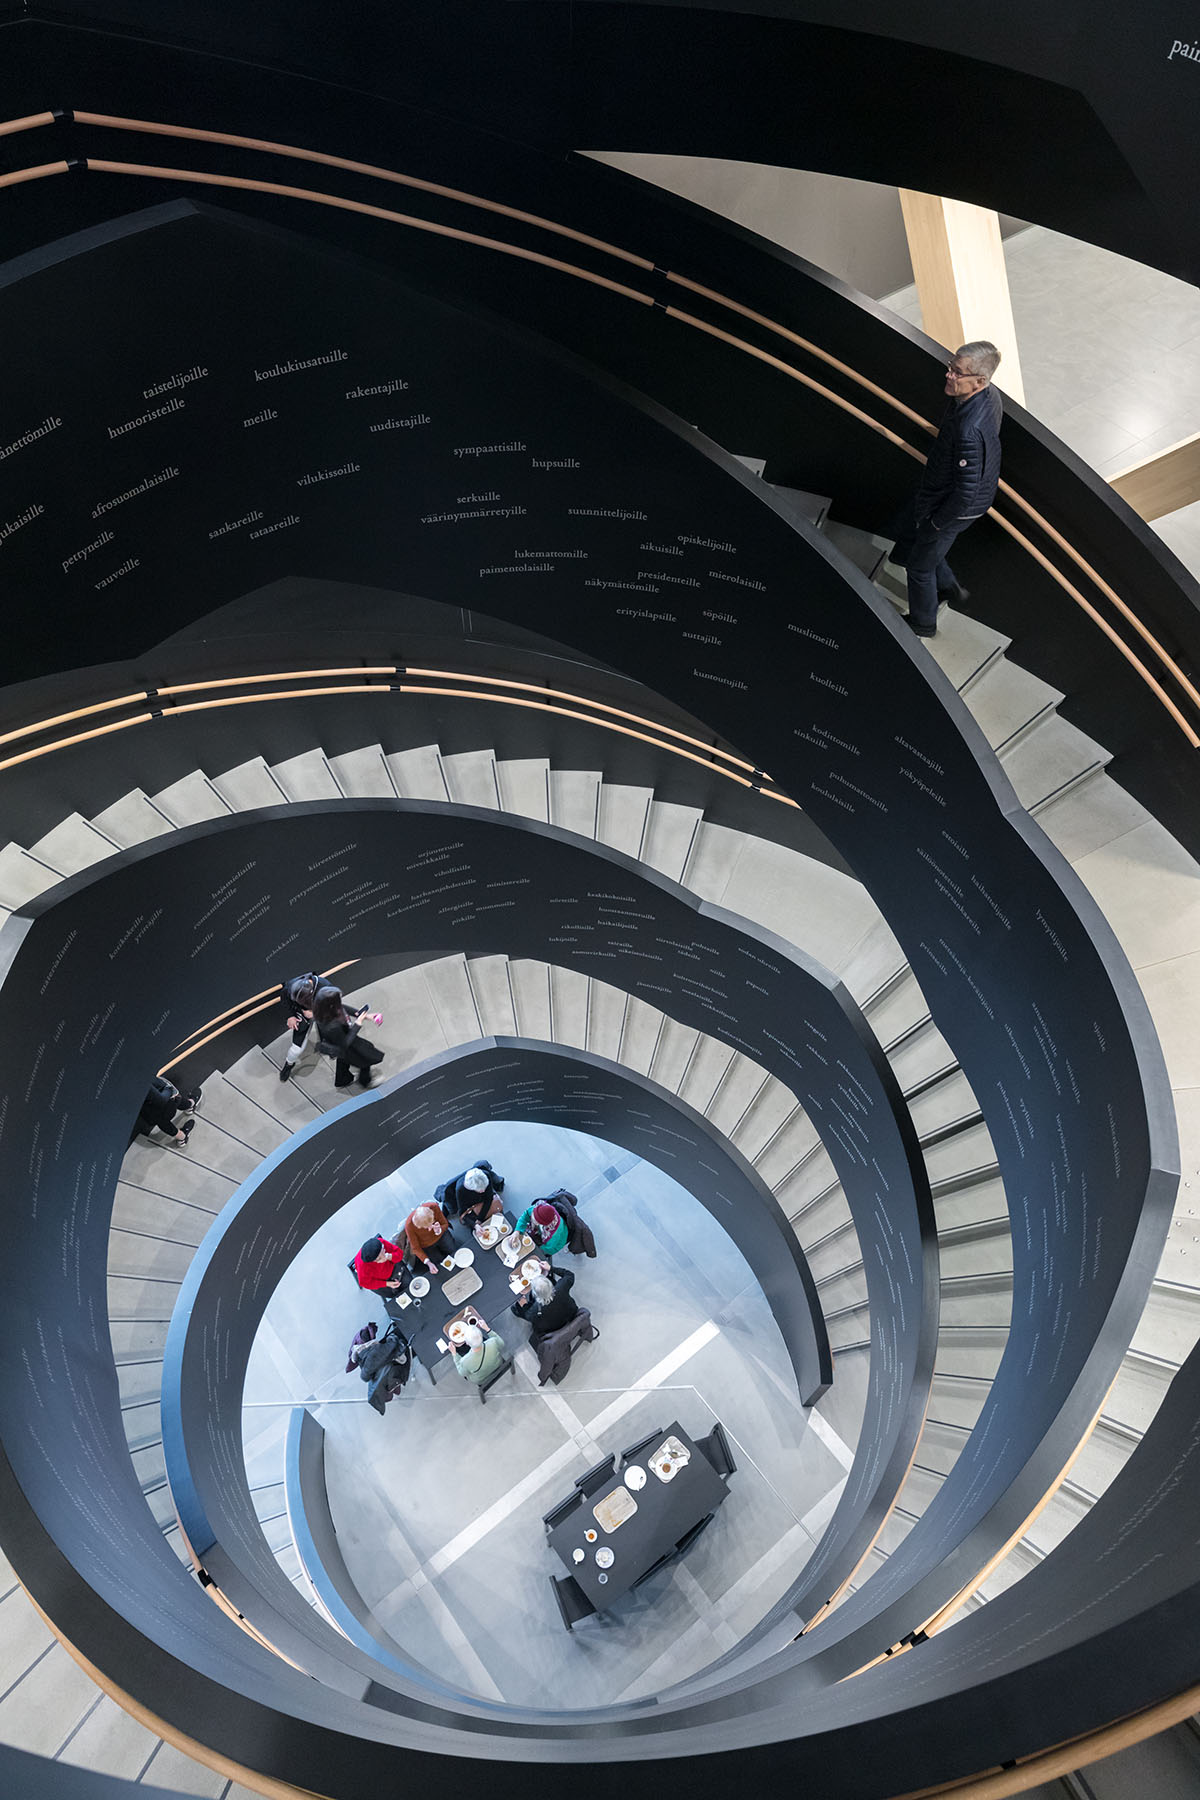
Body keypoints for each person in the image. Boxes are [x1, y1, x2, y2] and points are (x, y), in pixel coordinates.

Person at [890, 341, 1003, 638]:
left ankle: (923, 622)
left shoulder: (969, 431)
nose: (949, 375)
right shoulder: (988, 396)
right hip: (951, 499)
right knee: (927, 543)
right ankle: (948, 587)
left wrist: (937, 521)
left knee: (919, 567)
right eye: (950, 367)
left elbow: (965, 493)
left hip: (952, 507)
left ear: (979, 381)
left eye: (957, 372)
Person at [312, 988, 384, 1089]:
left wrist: (364, 1015)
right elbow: (344, 1044)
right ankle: (365, 1081)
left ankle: (342, 1080)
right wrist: (357, 1024)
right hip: (347, 1046)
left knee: (343, 1061)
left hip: (340, 1043)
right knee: (364, 1061)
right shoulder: (332, 1026)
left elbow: (343, 1008)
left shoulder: (324, 1010)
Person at [277, 969, 340, 1082]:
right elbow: (284, 999)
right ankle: (289, 1064)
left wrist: (315, 1012)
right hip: (301, 1016)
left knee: (328, 1033)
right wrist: (290, 1016)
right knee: (296, 1049)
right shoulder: (289, 988)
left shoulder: (326, 987)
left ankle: (328, 1046)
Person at [129, 1074, 202, 1149]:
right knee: (172, 1099)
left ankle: (182, 1137)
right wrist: (169, 1088)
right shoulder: (138, 1079)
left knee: (159, 1120)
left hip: (143, 1110)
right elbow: (161, 1099)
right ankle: (190, 1105)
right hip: (163, 1105)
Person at [513, 1266, 578, 1342]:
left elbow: (528, 1316)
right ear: (550, 1284)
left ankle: (516, 1311)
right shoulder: (561, 1287)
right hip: (571, 1313)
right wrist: (550, 1268)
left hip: (552, 1328)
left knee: (520, 1308)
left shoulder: (536, 1309)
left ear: (535, 1293)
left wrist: (524, 1305)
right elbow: (569, 1275)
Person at [441, 1163, 504, 1230]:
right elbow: (462, 1212)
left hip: (481, 1202)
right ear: (471, 1188)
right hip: (471, 1205)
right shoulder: (460, 1190)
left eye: (485, 1187)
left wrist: (480, 1218)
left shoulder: (485, 1176)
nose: (483, 1191)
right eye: (480, 1190)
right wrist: (475, 1225)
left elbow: (489, 1197)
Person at [402, 1200, 452, 1274]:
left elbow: (445, 1224)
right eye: (425, 1227)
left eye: (431, 1224)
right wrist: (428, 1263)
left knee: (453, 1251)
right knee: (439, 1264)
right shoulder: (409, 1226)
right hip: (427, 1245)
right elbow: (415, 1248)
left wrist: (439, 1230)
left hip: (441, 1235)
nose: (429, 1229)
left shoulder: (434, 1207)